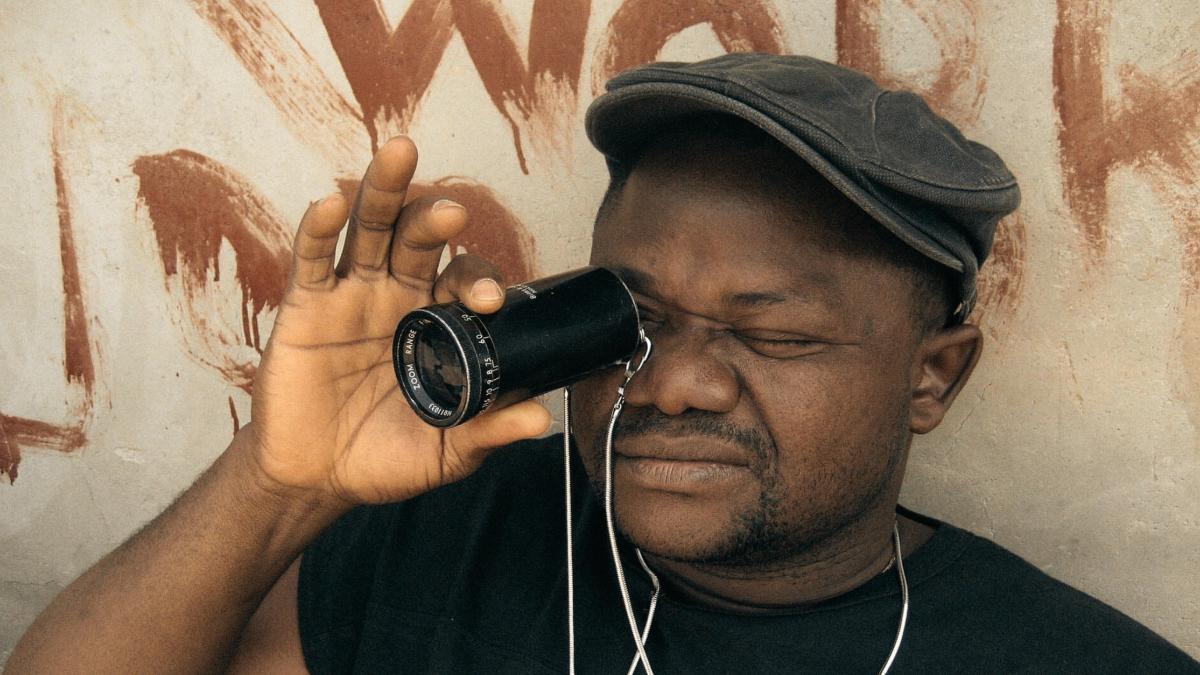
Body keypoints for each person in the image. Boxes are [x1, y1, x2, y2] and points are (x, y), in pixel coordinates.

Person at [7, 54, 1196, 674]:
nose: (676, 383)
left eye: (772, 335)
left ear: (935, 377)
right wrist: (278, 487)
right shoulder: (455, 545)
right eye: (630, 319)